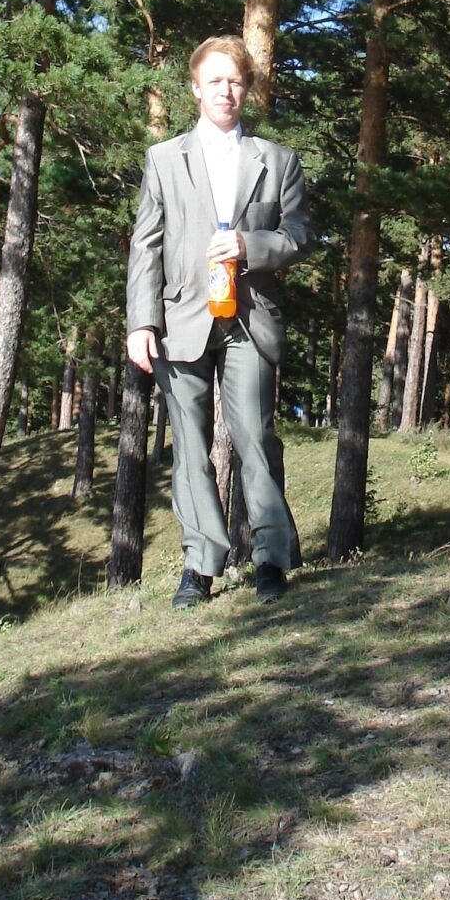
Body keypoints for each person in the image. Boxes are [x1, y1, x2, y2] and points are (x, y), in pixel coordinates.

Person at [126, 35, 312, 607]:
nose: (225, 91)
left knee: (256, 437)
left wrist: (249, 245)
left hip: (250, 319)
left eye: (234, 81)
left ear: (247, 88)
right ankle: (200, 565)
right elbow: (146, 245)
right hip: (180, 320)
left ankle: (270, 560)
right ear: (195, 89)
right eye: (214, 81)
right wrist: (141, 323)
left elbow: (299, 237)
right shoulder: (163, 159)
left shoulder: (277, 160)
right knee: (190, 446)